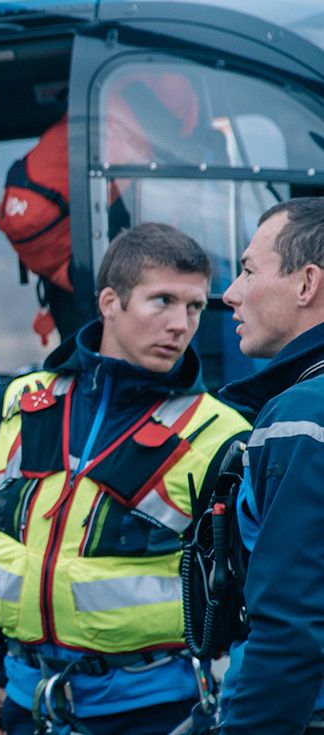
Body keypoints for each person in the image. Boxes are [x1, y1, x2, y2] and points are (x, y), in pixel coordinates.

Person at [0, 223, 249, 735]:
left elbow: (251, 599)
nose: (181, 325)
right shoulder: (22, 402)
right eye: (162, 301)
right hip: (25, 702)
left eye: (194, 307)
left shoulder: (221, 433)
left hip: (155, 712)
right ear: (110, 302)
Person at [218, 197, 324, 734]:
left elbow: (290, 626)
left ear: (307, 284)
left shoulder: (301, 416)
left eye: (247, 270)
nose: (230, 293)